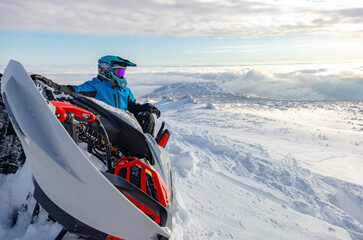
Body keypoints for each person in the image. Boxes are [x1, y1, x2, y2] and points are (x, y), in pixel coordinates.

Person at [30, 55, 160, 135]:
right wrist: (48, 83)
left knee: (146, 117)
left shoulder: (125, 91)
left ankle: (147, 152)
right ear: (107, 71)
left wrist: (146, 108)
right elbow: (70, 90)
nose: (122, 75)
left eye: (122, 72)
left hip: (124, 127)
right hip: (106, 129)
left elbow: (133, 107)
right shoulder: (95, 86)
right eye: (119, 72)